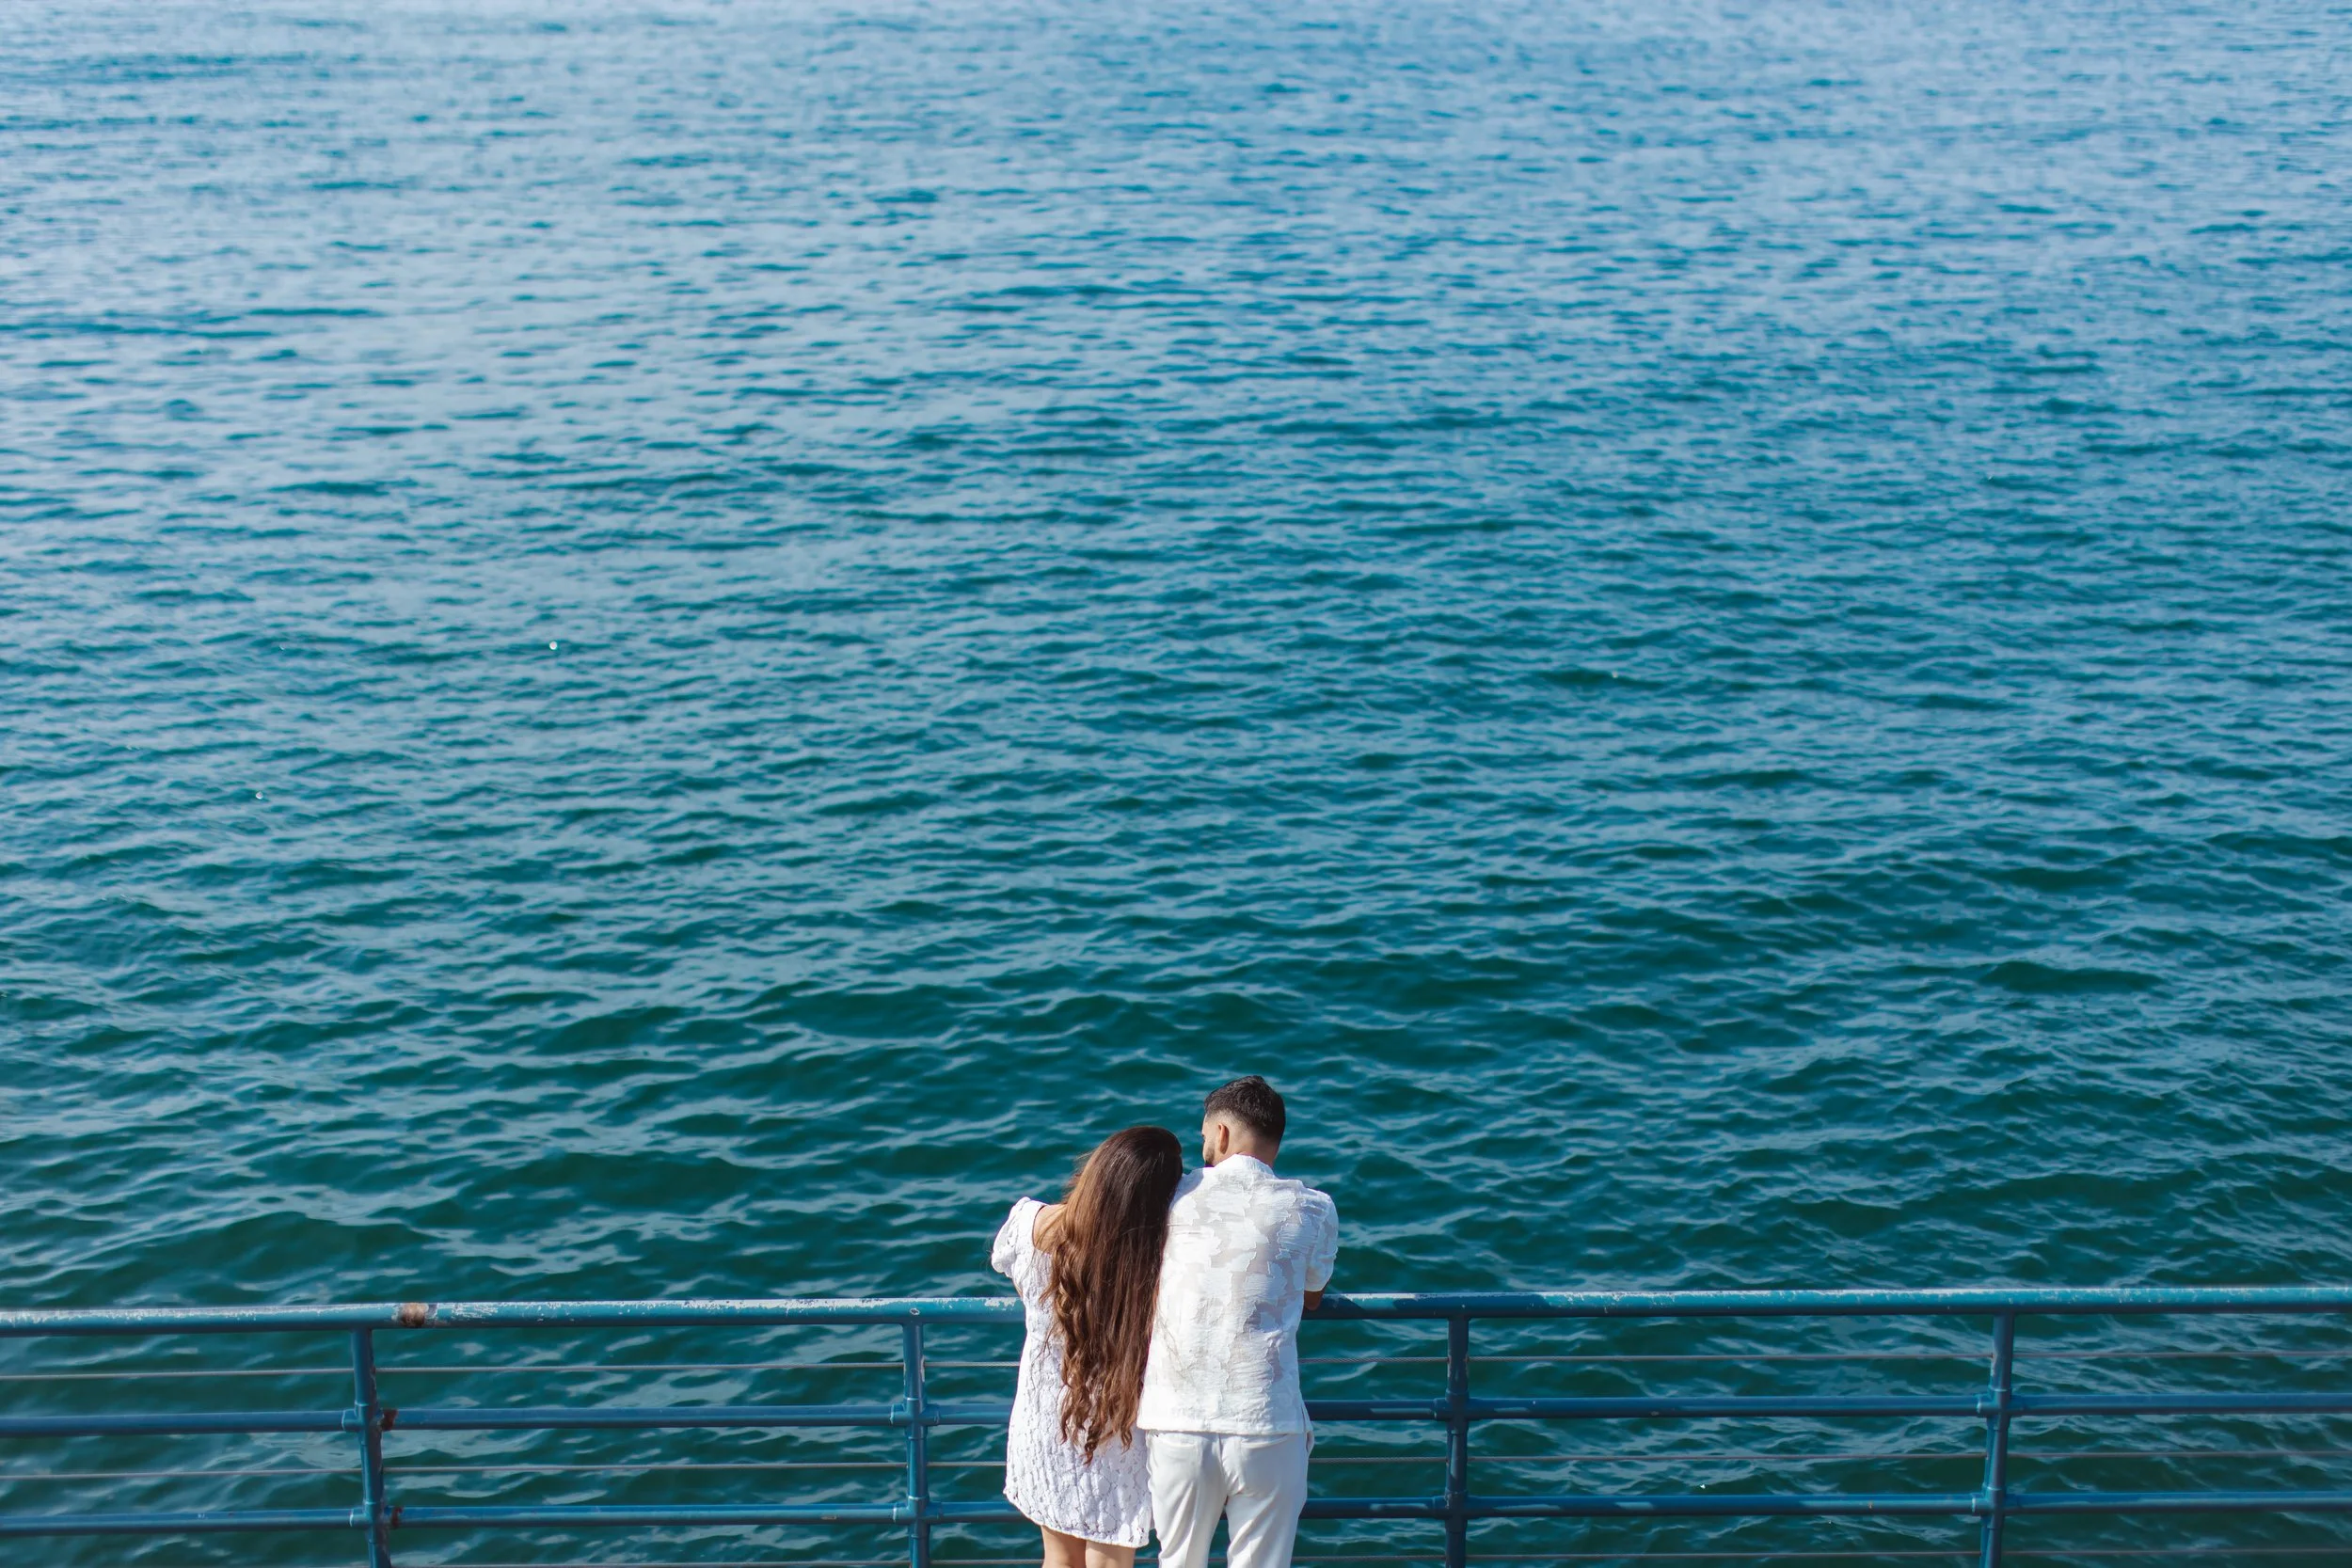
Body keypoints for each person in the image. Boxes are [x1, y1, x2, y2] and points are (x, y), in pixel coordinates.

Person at [1136, 1076, 1340, 1568]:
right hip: (1267, 1420)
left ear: (1222, 1133)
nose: (1204, 1146)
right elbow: (1313, 1294)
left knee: (1178, 1560)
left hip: (1177, 1420)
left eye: (1206, 1135)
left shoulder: (1169, 1198)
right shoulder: (1312, 1207)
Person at [993, 1125, 1186, 1568]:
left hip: (1048, 1420)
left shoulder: (1034, 1227)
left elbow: (1003, 1257)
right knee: (1111, 1562)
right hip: (1118, 1423)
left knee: (1058, 1559)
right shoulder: (1161, 1261)